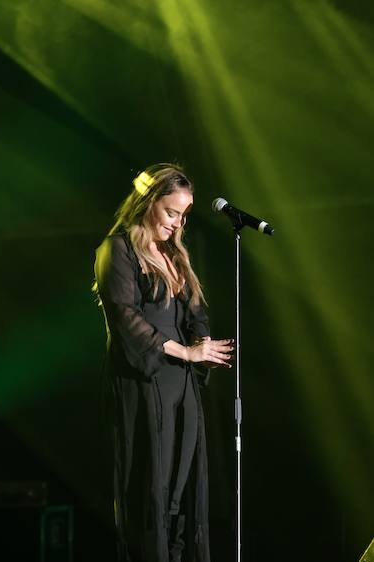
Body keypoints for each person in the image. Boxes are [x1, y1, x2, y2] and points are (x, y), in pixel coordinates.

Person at [93, 164, 233, 562]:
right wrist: (185, 351)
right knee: (150, 488)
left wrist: (202, 342)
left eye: (184, 215)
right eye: (172, 212)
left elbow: (195, 313)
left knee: (180, 488)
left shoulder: (176, 256)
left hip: (181, 385)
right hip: (143, 381)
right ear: (148, 203)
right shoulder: (116, 250)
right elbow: (126, 320)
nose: (177, 223)